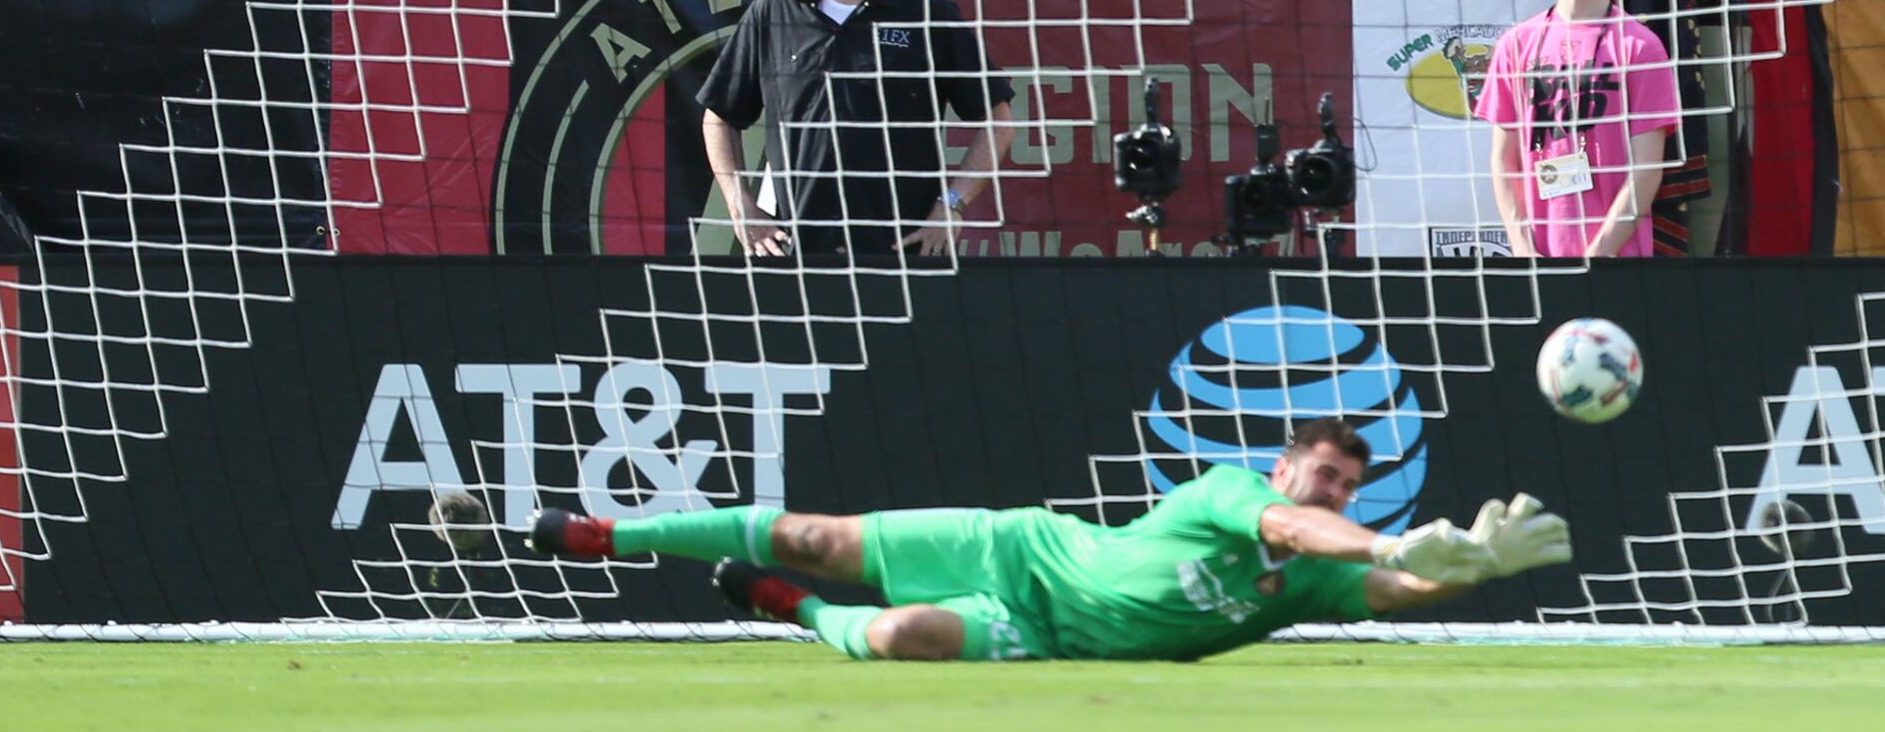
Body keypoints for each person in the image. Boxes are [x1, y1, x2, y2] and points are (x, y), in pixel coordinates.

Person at [518, 416, 1569, 659]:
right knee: (813, 533)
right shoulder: (1234, 492)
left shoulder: (1308, 586)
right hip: (1020, 549)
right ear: (1285, 467)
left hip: (1050, 637)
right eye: (1324, 473)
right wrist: (1382, 544)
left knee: (895, 637)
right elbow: (1299, 528)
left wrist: (1471, 568)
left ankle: (799, 614)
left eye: (1350, 484)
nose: (1332, 490)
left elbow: (1399, 590)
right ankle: (613, 532)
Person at [697, 0, 1014, 262]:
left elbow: (998, 121)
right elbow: (719, 116)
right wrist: (739, 204)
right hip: (798, 255)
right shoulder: (776, 9)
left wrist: (952, 205)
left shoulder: (927, 13)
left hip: (904, 256)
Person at [1471, 0, 1682, 260]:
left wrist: (1599, 256)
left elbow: (1648, 168)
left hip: (1616, 262)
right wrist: (1521, 248)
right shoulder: (1515, 45)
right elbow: (1503, 161)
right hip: (1537, 261)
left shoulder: (1641, 47)